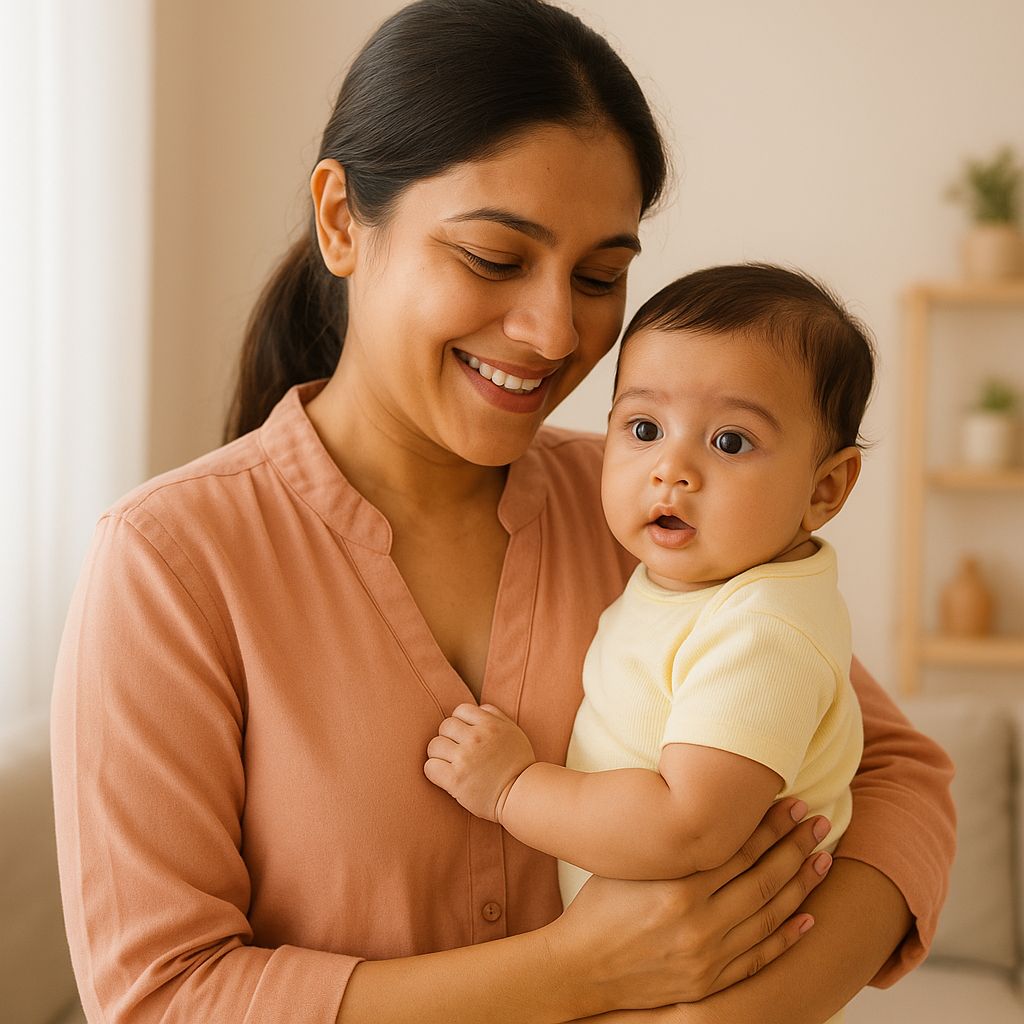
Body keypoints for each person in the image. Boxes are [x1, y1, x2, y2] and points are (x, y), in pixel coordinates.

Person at [50, 2, 954, 1023]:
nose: (553, 329)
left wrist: (744, 1007)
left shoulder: (654, 510)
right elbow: (162, 996)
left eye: (601, 275)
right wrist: (584, 972)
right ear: (342, 221)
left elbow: (900, 773)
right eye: (493, 257)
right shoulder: (169, 563)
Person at [424, 265, 874, 1021]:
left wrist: (512, 789)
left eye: (731, 441)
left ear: (824, 490)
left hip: (709, 988)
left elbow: (687, 824)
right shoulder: (700, 584)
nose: (672, 469)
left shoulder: (763, 629)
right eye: (642, 429)